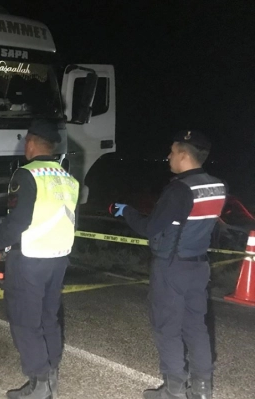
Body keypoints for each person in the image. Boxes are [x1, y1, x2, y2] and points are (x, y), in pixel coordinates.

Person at [110, 130, 224, 399]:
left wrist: (126, 211)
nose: (169, 156)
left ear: (184, 155)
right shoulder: (218, 185)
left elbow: (150, 227)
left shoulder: (179, 190)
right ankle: (202, 389)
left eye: (172, 152)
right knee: (196, 326)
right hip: (199, 266)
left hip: (172, 267)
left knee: (167, 328)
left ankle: (174, 390)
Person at [0, 119, 79, 399]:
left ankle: (39, 385)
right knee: (49, 317)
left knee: (25, 320)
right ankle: (50, 379)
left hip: (31, 258)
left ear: (33, 142)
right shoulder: (67, 178)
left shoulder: (26, 175)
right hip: (58, 258)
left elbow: (19, 221)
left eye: (26, 140)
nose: (25, 145)